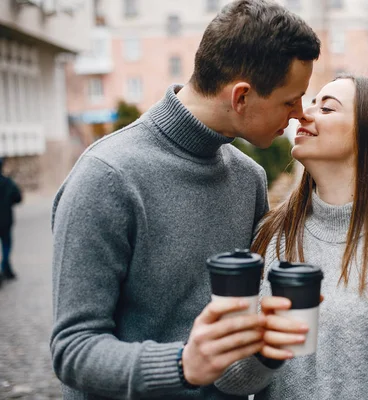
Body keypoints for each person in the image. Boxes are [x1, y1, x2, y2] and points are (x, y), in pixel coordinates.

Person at [50, 1, 320, 399]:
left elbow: (245, 340)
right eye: (289, 100)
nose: (300, 113)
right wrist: (182, 365)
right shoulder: (107, 176)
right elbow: (72, 350)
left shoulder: (249, 178)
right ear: (241, 97)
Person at [214, 76, 368, 399]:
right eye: (312, 102)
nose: (303, 114)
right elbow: (228, 378)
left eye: (327, 108)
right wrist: (265, 350)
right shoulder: (273, 232)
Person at [0, 158, 22, 283]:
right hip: (5, 219)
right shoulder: (8, 183)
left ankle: (5, 270)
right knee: (6, 245)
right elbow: (18, 198)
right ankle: (5, 268)